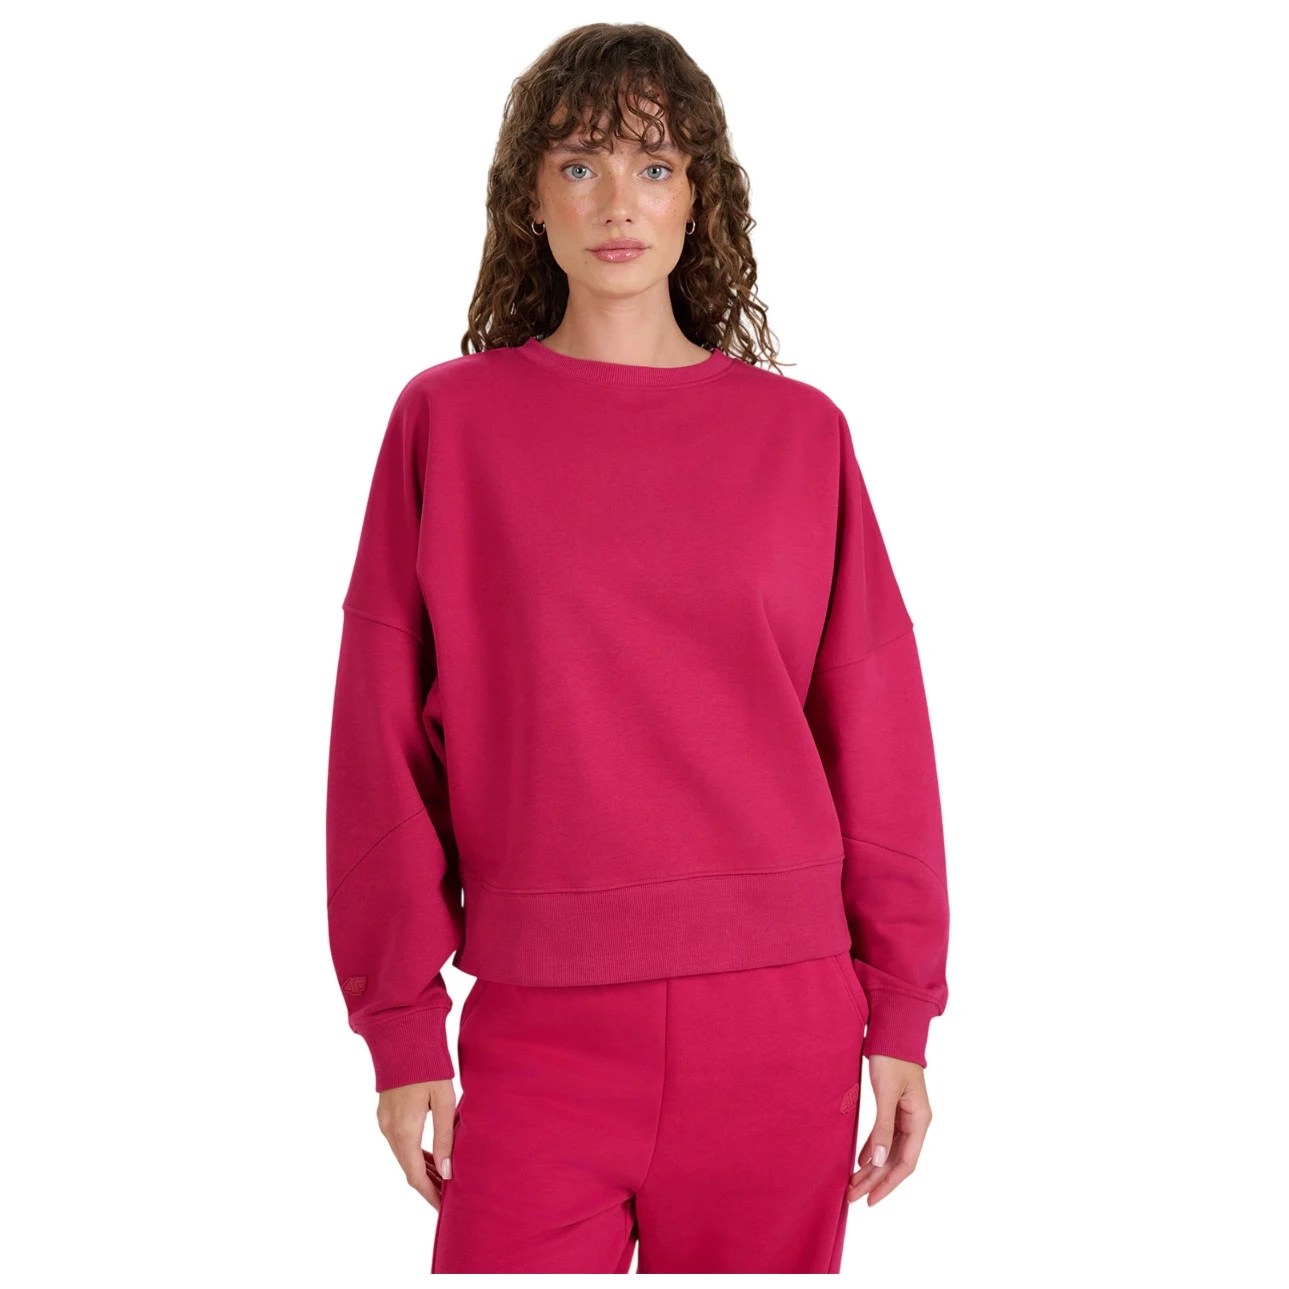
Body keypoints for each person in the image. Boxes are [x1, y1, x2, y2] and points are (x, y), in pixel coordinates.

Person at [325, 21, 950, 1275]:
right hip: (536, 1027)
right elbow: (378, 733)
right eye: (579, 164)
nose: (617, 200)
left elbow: (875, 728)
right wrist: (399, 1025)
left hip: (778, 1019)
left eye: (653, 165)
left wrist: (901, 1009)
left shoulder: (800, 436)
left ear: (696, 195)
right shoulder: (447, 423)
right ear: (529, 199)